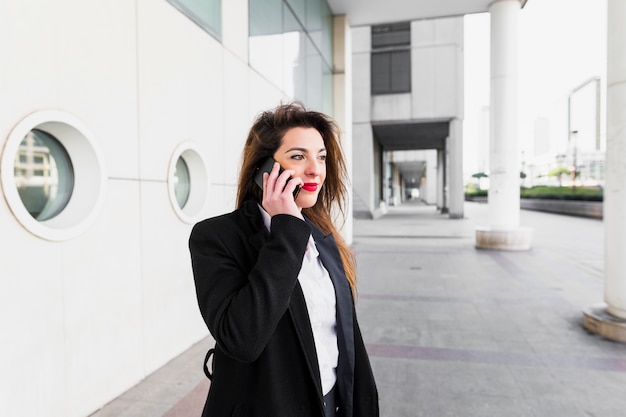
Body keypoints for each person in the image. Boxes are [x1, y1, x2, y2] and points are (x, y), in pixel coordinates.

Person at [189, 102, 379, 417]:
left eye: (321, 157)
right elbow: (243, 338)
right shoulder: (217, 237)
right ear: (265, 170)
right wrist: (287, 232)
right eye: (298, 156)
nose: (315, 170)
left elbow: (346, 340)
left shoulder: (323, 238)